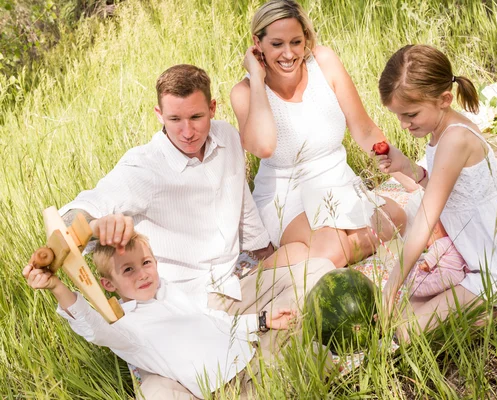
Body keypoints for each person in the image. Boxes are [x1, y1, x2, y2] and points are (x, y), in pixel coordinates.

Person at [47, 64, 335, 398]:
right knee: (159, 392)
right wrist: (95, 225)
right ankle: (261, 365)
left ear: (212, 108)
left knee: (319, 272)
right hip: (177, 312)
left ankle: (265, 358)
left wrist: (265, 255)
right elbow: (73, 215)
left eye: (196, 117)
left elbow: (241, 201)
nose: (187, 131)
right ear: (159, 115)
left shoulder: (226, 137)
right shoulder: (143, 167)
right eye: (174, 120)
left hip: (233, 288)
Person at [376, 44, 497, 338]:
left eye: (410, 114)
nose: (403, 125)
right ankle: (476, 307)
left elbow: (426, 219)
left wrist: (391, 287)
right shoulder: (440, 128)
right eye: (398, 116)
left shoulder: (455, 139)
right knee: (404, 313)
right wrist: (407, 167)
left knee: (405, 330)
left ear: (444, 99)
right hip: (471, 251)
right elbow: (452, 192)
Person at [230, 0, 409, 269]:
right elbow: (264, 147)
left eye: (296, 42)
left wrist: (410, 177)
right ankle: (262, 275)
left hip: (338, 183)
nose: (288, 54)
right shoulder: (244, 93)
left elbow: (365, 129)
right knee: (333, 249)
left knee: (398, 217)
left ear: (306, 39)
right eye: (277, 44)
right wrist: (256, 76)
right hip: (287, 198)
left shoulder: (323, 62)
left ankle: (307, 257)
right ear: (257, 43)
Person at [23, 232, 296, 399]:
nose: (142, 273)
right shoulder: (127, 328)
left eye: (146, 263)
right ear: (109, 285)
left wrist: (261, 321)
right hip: (229, 387)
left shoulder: (169, 291)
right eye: (128, 270)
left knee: (310, 354)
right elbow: (94, 329)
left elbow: (215, 321)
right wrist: (57, 286)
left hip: (254, 356)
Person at [405, 220, 470, 298]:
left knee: (431, 283)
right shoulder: (452, 242)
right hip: (456, 274)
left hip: (450, 274)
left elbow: (434, 254)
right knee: (434, 279)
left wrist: (425, 264)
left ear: (435, 229)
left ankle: (414, 286)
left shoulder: (441, 242)